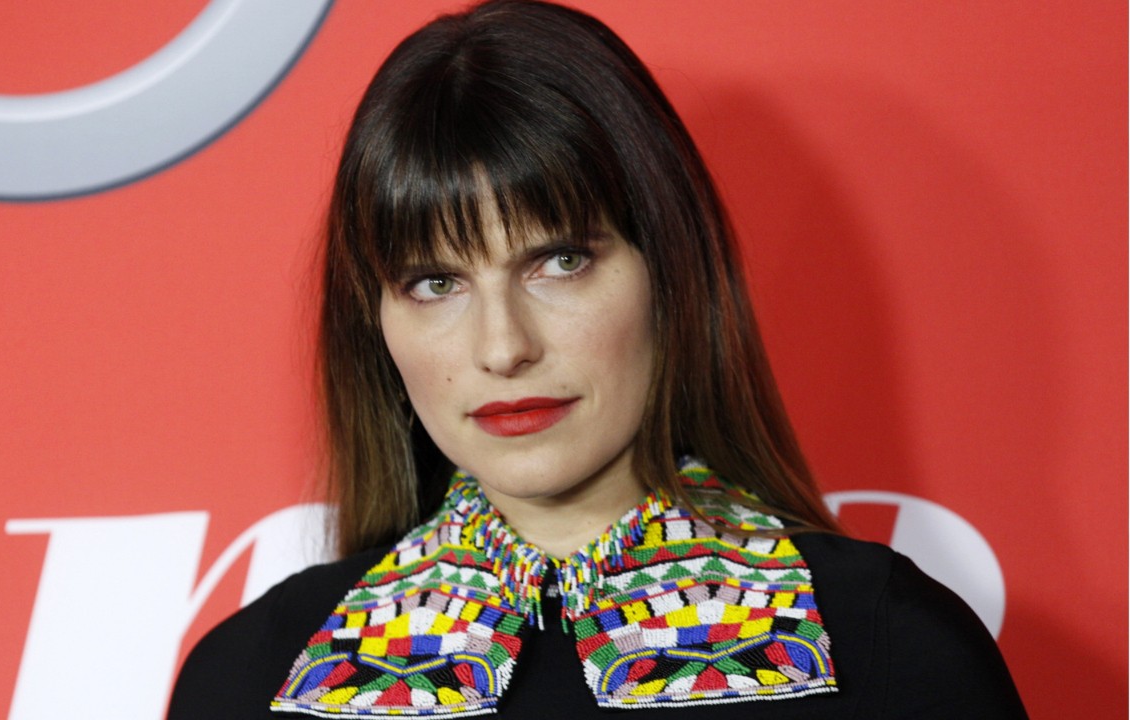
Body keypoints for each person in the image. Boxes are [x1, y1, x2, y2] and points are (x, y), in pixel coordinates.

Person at [167, 1, 1027, 717]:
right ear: (376, 321)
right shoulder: (249, 678)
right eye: (435, 282)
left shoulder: (894, 651)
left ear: (670, 272)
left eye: (560, 261)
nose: (503, 347)